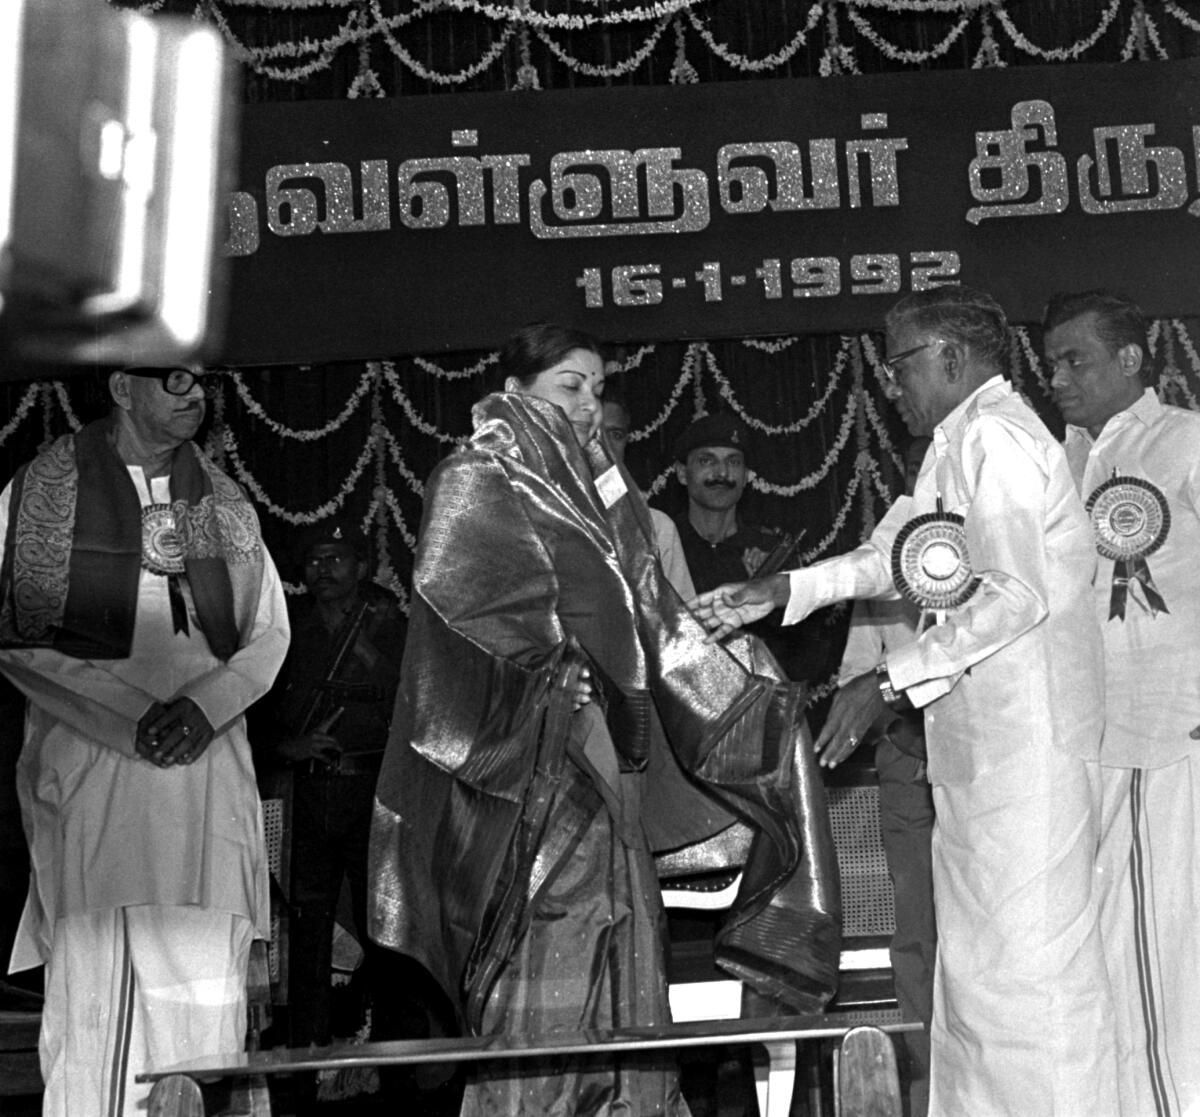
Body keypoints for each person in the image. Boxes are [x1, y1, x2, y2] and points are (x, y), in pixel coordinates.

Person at [368, 322, 840, 1117]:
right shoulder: (476, 475)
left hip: (605, 752)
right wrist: (555, 676)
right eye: (569, 385)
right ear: (516, 392)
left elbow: (653, 617)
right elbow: (462, 615)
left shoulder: (597, 489)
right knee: (551, 942)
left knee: (623, 933)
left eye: (596, 386)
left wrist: (737, 688)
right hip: (527, 763)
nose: (590, 404)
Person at [690, 286, 1119, 1116]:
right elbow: (897, 555)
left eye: (900, 365)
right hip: (981, 752)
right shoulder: (956, 445)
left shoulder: (998, 436)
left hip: (1029, 749)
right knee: (982, 975)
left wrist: (886, 680)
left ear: (952, 359)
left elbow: (1014, 593)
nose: (891, 385)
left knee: (1028, 977)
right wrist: (781, 588)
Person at [0, 365, 289, 1117]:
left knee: (204, 991)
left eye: (201, 383)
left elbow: (266, 634)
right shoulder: (45, 492)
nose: (196, 395)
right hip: (98, 768)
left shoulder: (217, 501)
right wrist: (130, 716)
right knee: (98, 994)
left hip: (206, 770)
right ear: (124, 386)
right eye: (176, 381)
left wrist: (204, 705)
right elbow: (17, 638)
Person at [1043, 289, 1200, 1117]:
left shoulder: (1183, 442)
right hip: (1085, 740)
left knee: (1162, 945)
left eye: (1077, 359)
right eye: (1051, 363)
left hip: (1164, 727)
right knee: (1108, 943)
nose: (1059, 377)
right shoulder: (1062, 460)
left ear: (1132, 359)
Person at [258, 519, 409, 1048]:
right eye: (314, 561)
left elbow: (415, 703)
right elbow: (256, 708)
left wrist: (368, 645)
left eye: (337, 558)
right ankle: (306, 1063)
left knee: (385, 931)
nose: (323, 570)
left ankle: (396, 1061)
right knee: (305, 932)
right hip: (307, 794)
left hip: (374, 794)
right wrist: (288, 748)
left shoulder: (390, 623)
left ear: (362, 567)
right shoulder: (285, 626)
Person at [819, 436, 935, 1117]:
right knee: (916, 938)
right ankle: (923, 1099)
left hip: (989, 764)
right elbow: (857, 674)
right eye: (921, 467)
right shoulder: (888, 556)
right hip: (907, 764)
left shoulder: (1013, 539)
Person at [671, 413, 808, 681]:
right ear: (681, 473)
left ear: (746, 477)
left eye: (733, 462)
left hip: (756, 704)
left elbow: (805, 657)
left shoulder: (772, 552)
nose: (721, 473)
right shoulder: (662, 543)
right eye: (706, 461)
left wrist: (770, 590)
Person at [600, 393, 695, 599]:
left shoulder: (656, 526)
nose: (604, 446)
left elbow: (683, 621)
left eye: (615, 435)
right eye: (591, 432)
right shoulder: (534, 511)